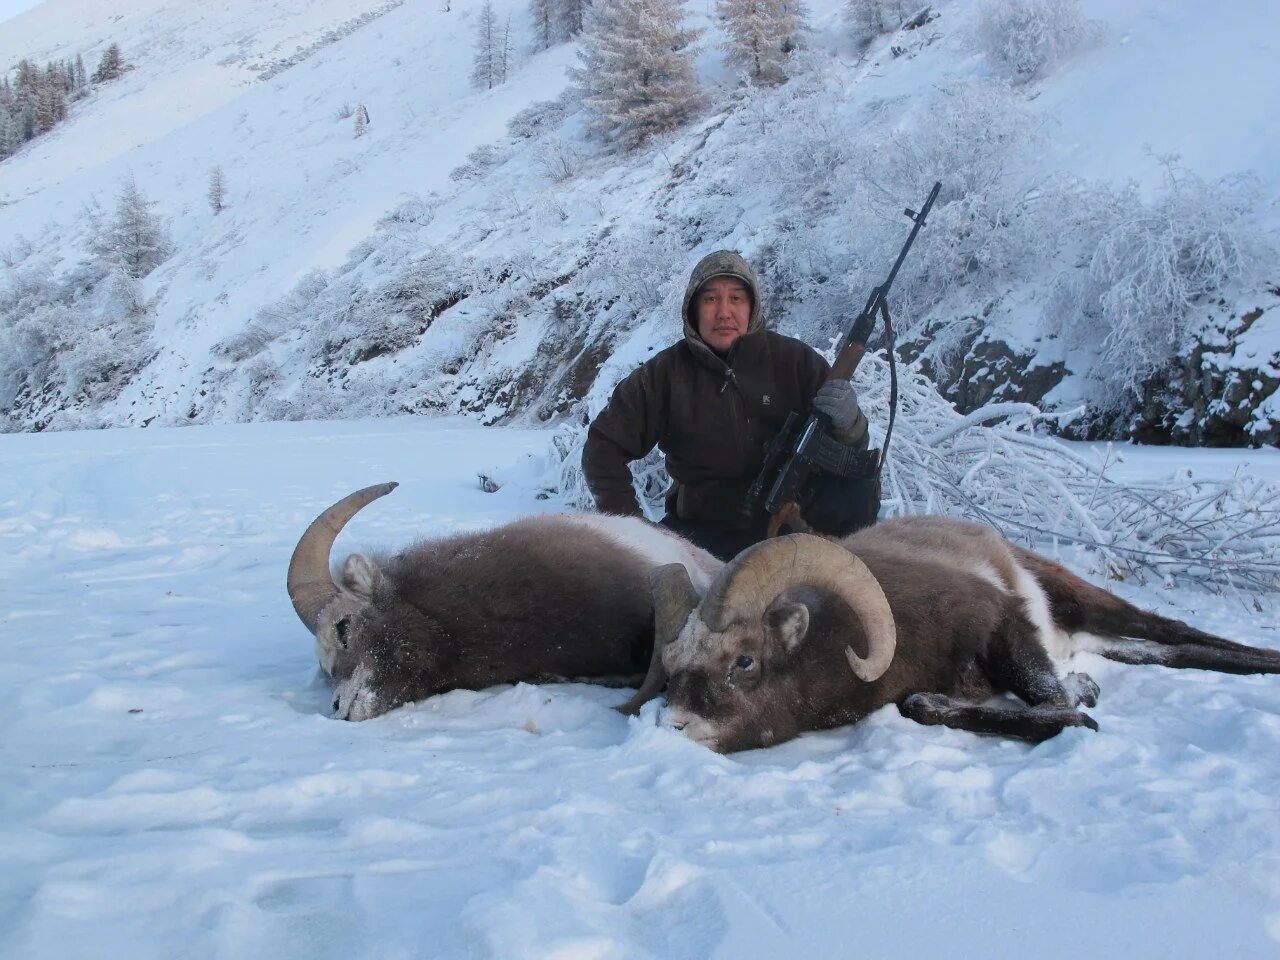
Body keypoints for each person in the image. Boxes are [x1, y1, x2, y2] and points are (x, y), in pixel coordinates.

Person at [582, 249, 880, 561]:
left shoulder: (797, 362)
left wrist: (851, 425)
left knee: (858, 490)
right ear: (693, 309)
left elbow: (852, 449)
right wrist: (636, 533)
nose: (724, 312)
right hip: (702, 534)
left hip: (799, 525)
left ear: (753, 307)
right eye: (710, 299)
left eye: (736, 298)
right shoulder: (664, 375)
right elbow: (602, 449)